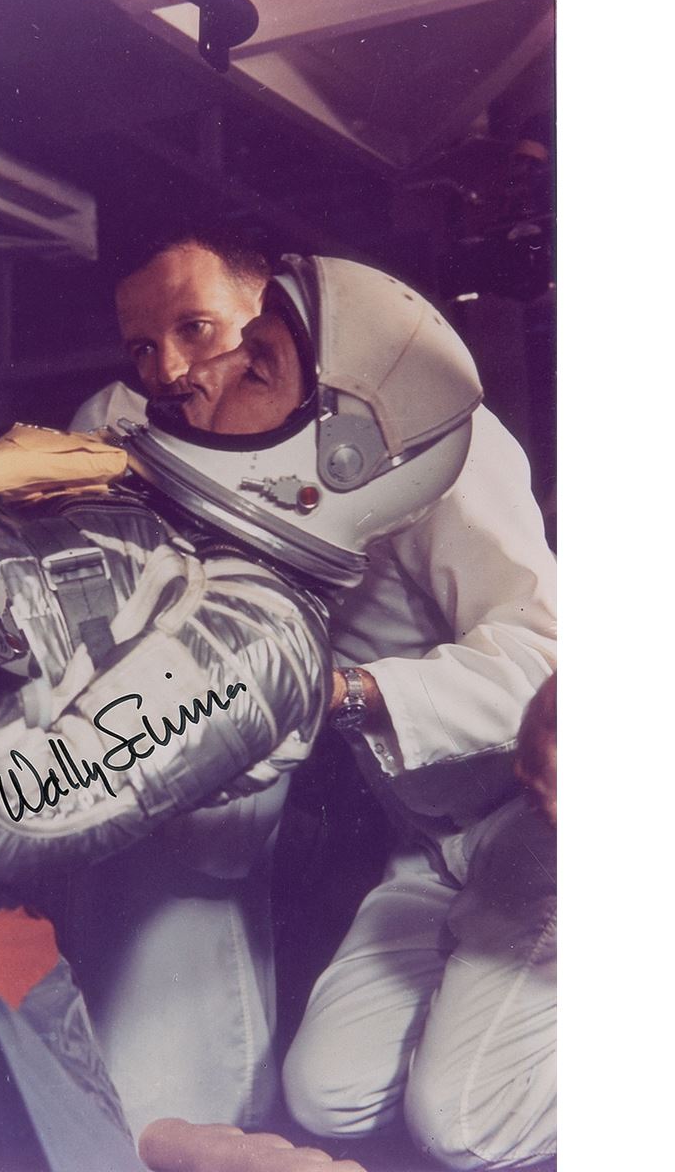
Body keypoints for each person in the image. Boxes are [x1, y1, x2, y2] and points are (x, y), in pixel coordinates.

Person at [0, 251, 484, 1158]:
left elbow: (1, 817)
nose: (201, 374)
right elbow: (21, 598)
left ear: (340, 458)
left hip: (166, 1011)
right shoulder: (174, 534)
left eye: (253, 364)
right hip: (70, 941)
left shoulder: (265, 639)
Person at [73, 229, 557, 1169]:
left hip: (528, 820)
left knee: (462, 1121)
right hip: (426, 844)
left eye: (200, 331)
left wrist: (339, 694)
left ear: (274, 324)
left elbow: (547, 659)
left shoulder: (430, 437)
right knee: (328, 1097)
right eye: (143, 347)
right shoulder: (190, 446)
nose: (172, 370)